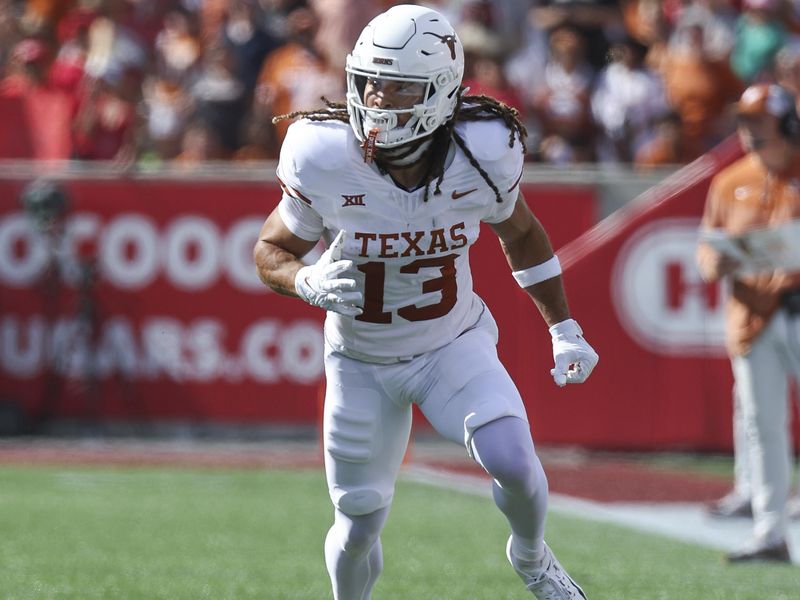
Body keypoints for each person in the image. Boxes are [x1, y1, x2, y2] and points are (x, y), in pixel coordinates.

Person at [252, 5, 599, 599]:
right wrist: (304, 280)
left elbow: (521, 234)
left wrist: (564, 328)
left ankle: (533, 558)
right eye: (368, 81)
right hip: (361, 360)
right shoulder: (322, 153)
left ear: (441, 91)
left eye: (398, 85)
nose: (378, 99)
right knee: (358, 526)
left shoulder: (483, 150)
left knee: (514, 461)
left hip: (449, 345)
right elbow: (270, 249)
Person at [697, 82, 800, 563]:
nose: (749, 132)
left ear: (787, 123)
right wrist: (716, 263)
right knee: (762, 424)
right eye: (745, 121)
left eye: (759, 121)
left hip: (795, 304)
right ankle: (770, 530)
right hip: (751, 315)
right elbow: (705, 252)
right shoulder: (728, 180)